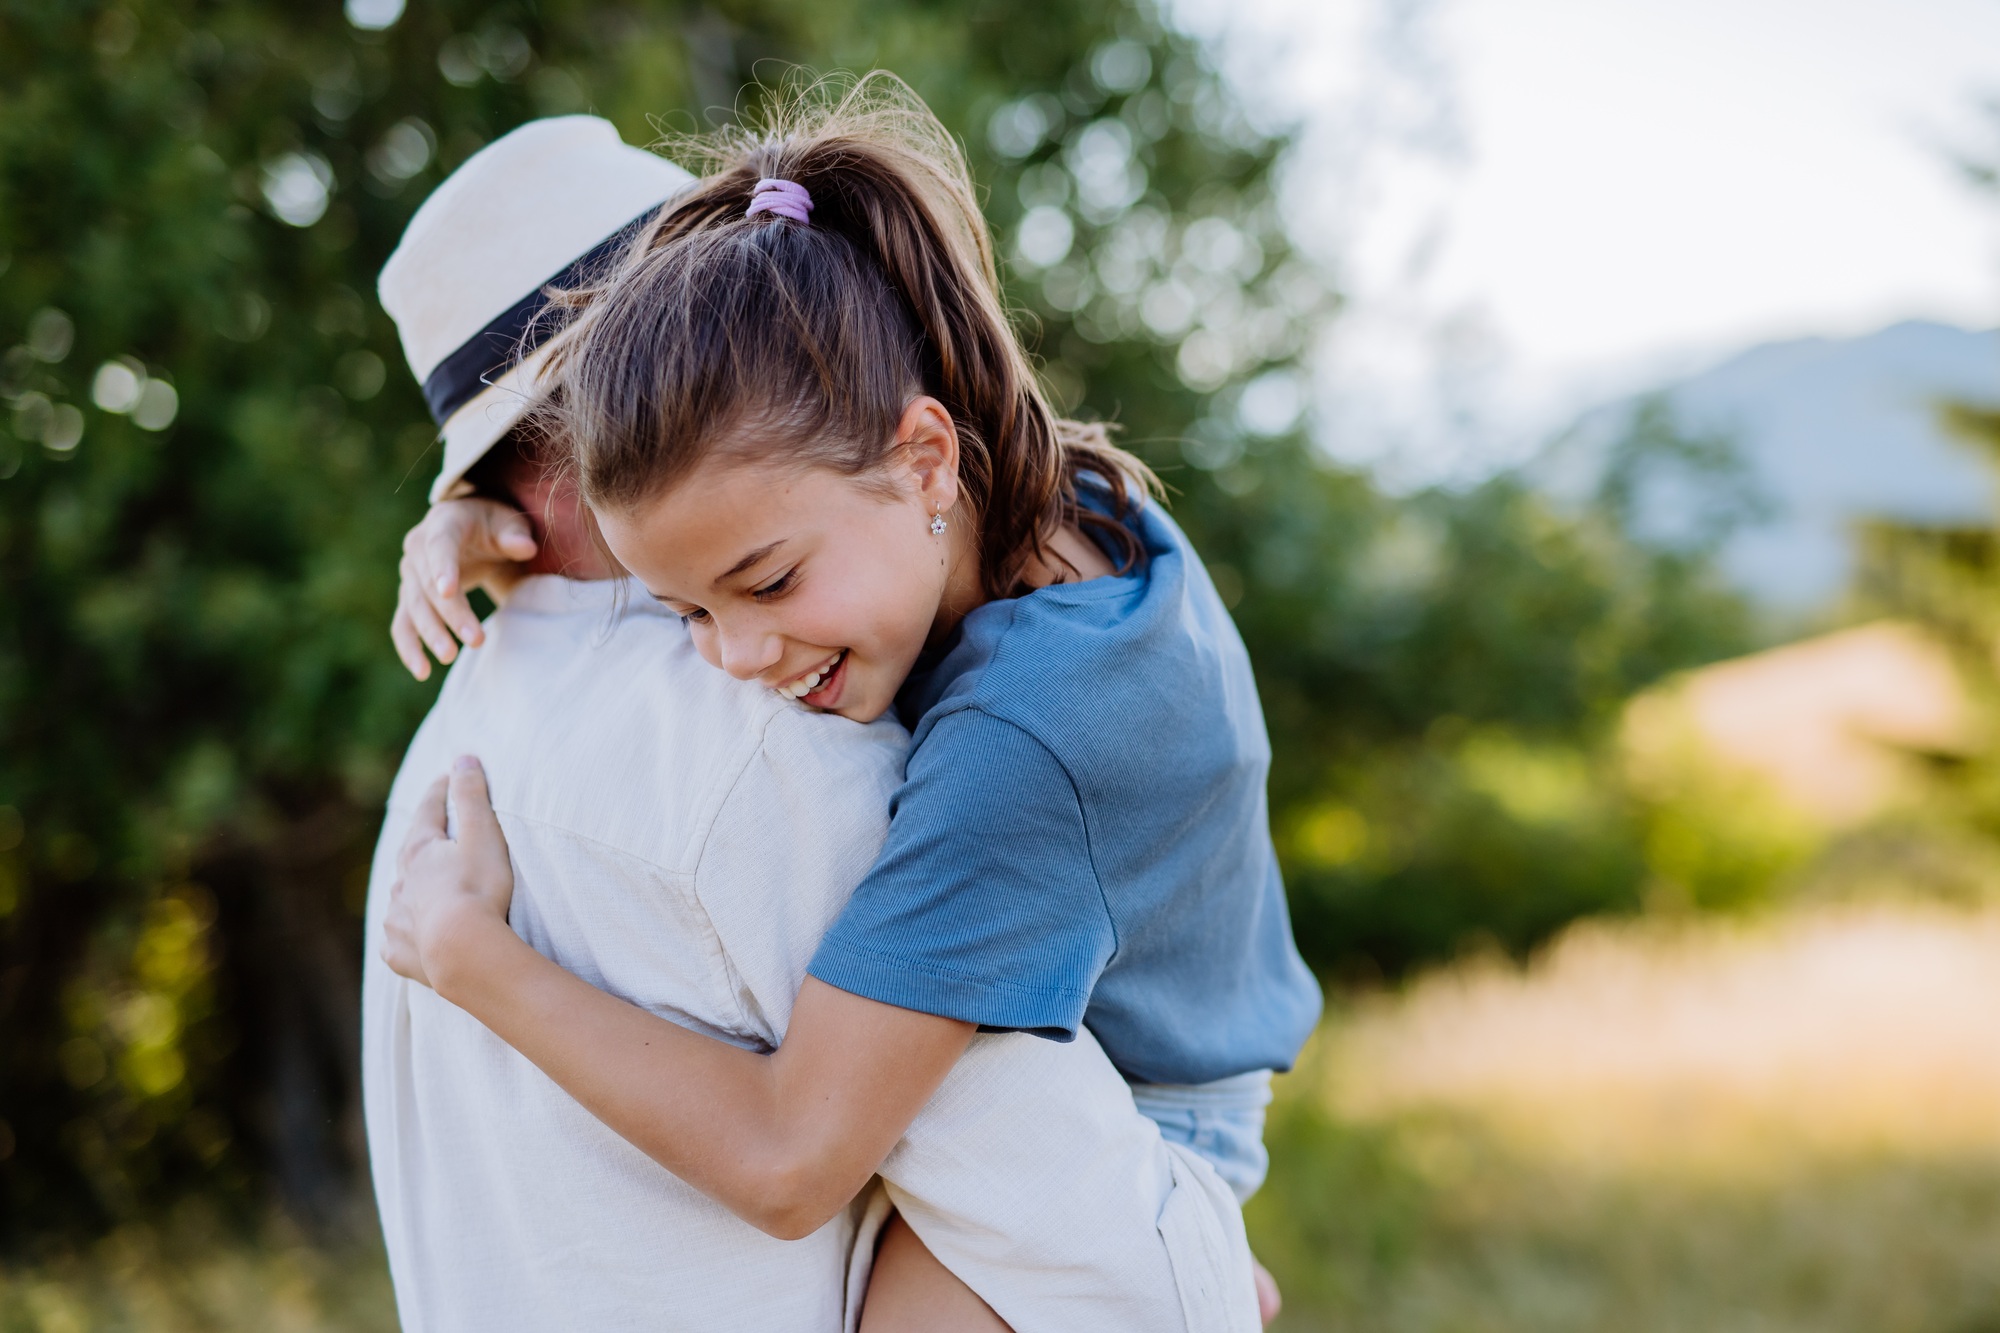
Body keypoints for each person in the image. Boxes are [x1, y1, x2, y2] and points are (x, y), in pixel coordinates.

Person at [383, 74, 1317, 1321]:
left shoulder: (1024, 739)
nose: (732, 659)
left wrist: (469, 956)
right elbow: (759, 508)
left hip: (1151, 1110)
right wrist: (477, 520)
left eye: (763, 582)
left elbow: (785, 1158)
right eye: (686, 612)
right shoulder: (1035, 482)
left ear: (922, 451)